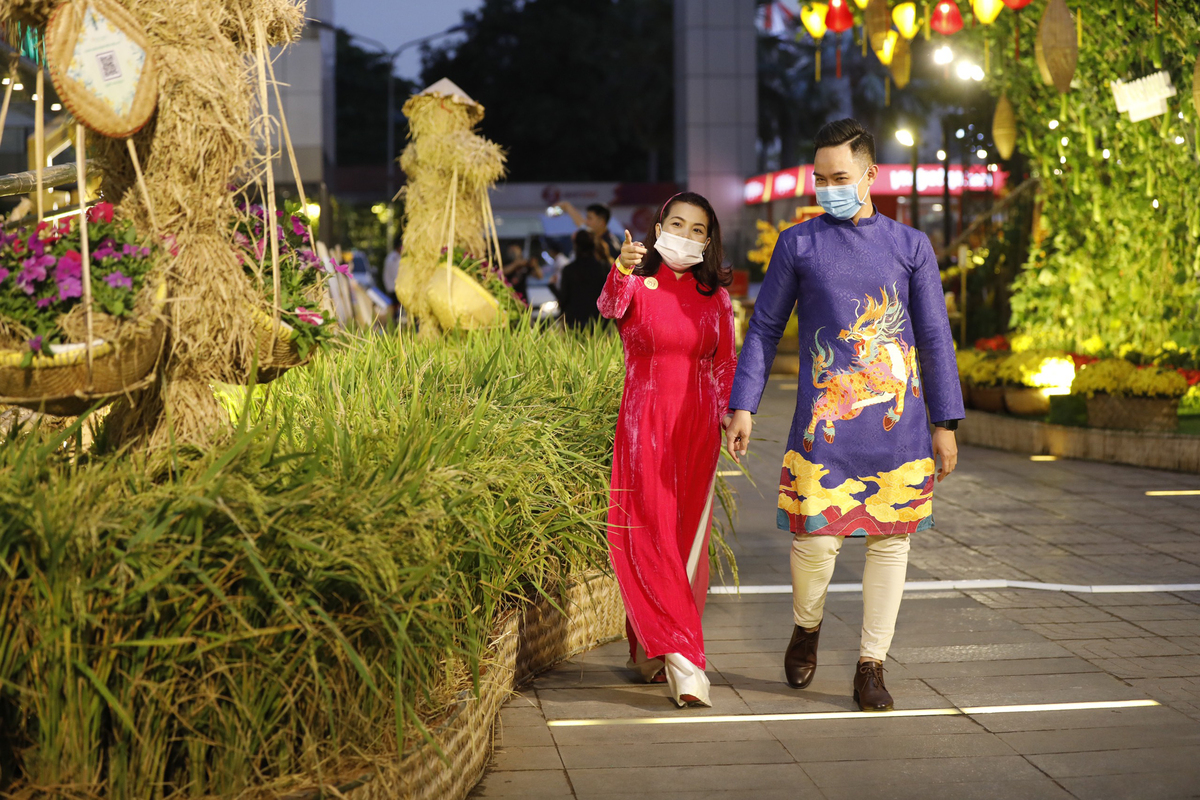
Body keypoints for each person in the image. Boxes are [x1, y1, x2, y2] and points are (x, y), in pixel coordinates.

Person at [723, 119, 963, 713]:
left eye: (841, 177)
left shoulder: (911, 246)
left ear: (870, 174)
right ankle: (807, 627)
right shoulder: (798, 244)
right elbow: (764, 329)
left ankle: (871, 665)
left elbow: (934, 337)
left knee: (890, 546)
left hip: (898, 428)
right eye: (821, 177)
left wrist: (945, 422)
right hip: (822, 427)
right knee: (815, 544)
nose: (829, 187)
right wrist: (742, 404)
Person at [598, 192, 737, 708]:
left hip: (698, 429)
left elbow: (725, 365)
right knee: (648, 533)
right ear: (658, 227)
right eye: (676, 223)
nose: (686, 234)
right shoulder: (634, 284)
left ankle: (651, 652)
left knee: (684, 544)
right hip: (644, 425)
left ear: (709, 239)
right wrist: (618, 267)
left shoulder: (714, 299)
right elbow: (608, 306)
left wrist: (732, 416)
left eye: (697, 229)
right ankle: (687, 662)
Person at [551, 230, 607, 328]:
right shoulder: (603, 268)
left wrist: (552, 286)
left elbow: (564, 299)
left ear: (575, 245)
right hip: (599, 323)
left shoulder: (569, 270)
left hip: (574, 323)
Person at [382, 233, 403, 320]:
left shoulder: (394, 257)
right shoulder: (394, 258)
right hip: (394, 288)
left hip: (394, 287)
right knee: (396, 311)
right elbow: (396, 275)